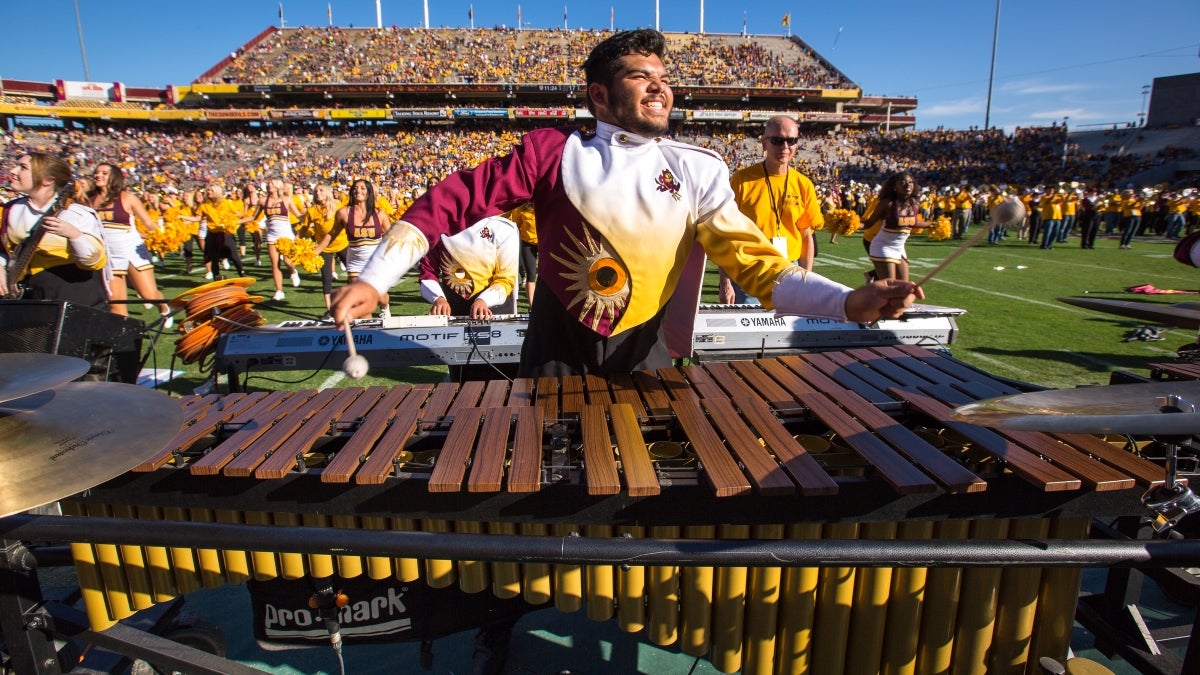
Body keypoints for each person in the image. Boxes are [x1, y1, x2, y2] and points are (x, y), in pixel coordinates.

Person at [330, 28, 919, 380]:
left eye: (663, 75)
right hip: (554, 356)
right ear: (601, 96)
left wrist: (848, 302)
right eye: (641, 76)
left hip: (651, 356)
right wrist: (377, 279)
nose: (660, 85)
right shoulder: (551, 152)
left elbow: (760, 268)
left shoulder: (698, 169)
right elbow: (451, 201)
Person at [718, 114, 822, 305]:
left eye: (791, 141)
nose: (785, 147)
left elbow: (806, 236)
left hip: (790, 272)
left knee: (785, 331)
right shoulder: (742, 181)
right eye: (777, 140)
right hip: (751, 270)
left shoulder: (804, 184)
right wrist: (725, 282)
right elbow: (727, 235)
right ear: (764, 143)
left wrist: (807, 280)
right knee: (751, 333)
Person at [0, 152, 108, 307]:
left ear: (48, 180)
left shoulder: (75, 214)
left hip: (73, 293)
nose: (13, 171)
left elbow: (94, 262)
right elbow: (3, 250)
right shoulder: (9, 210)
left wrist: (74, 235)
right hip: (28, 295)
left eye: (22, 168)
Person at [89, 163, 172, 327]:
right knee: (115, 303)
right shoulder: (89, 200)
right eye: (97, 172)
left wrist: (165, 234)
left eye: (104, 173)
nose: (98, 175)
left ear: (115, 177)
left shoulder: (126, 197)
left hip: (131, 249)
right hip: (108, 254)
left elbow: (148, 223)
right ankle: (122, 336)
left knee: (148, 294)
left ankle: (164, 308)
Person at [318, 178, 393, 319]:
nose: (358, 190)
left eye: (363, 188)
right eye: (355, 188)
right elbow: (331, 235)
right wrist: (315, 252)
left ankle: (385, 307)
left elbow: (392, 237)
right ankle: (370, 333)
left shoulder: (379, 214)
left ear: (369, 193)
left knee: (381, 297)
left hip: (376, 261)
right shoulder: (343, 213)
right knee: (361, 302)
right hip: (355, 262)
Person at [419, 214, 519, 319]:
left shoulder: (503, 228)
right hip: (452, 310)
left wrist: (484, 300)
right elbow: (428, 272)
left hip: (494, 310)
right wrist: (438, 298)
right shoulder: (438, 227)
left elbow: (505, 279)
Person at [863, 172, 929, 282]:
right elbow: (869, 223)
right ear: (894, 186)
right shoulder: (887, 203)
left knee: (902, 287)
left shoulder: (914, 203)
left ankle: (872, 282)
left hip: (899, 248)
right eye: (902, 182)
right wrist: (851, 224)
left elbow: (913, 222)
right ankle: (868, 296)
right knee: (891, 287)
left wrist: (933, 224)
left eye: (910, 182)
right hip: (883, 246)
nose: (908, 185)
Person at [252, 178, 305, 301]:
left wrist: (312, 216)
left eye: (272, 184)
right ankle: (279, 291)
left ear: (277, 186)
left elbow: (299, 215)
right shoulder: (262, 201)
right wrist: (236, 220)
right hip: (271, 236)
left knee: (287, 261)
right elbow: (253, 216)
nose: (269, 185)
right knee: (275, 264)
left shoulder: (286, 200)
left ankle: (293, 271)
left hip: (286, 234)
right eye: (269, 184)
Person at [302, 183, 348, 314]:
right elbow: (304, 227)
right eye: (316, 191)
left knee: (353, 274)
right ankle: (329, 310)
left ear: (327, 192)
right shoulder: (312, 210)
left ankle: (353, 303)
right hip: (324, 247)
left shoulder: (338, 205)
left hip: (343, 243)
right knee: (326, 278)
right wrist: (298, 241)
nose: (318, 193)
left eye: (321, 190)